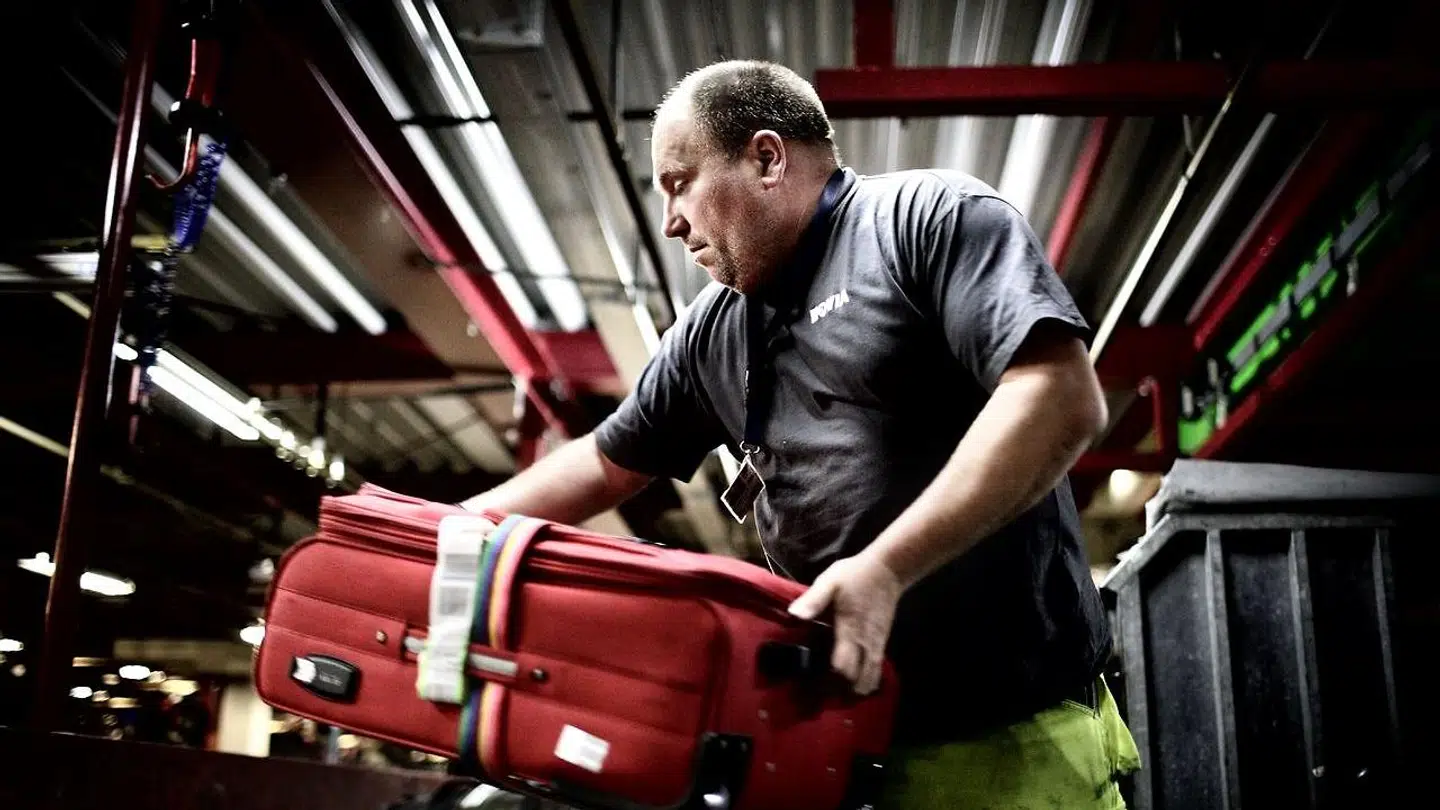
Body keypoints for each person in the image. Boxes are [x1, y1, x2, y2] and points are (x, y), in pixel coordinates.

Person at [462, 60, 1140, 808]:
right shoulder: (710, 337)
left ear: (765, 158)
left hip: (1015, 739)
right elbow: (605, 463)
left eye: (680, 181)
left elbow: (1060, 395)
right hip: (841, 746)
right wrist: (450, 536)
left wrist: (884, 568)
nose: (670, 221)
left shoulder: (924, 222)